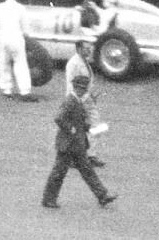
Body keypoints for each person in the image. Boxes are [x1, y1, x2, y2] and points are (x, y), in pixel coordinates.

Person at [41, 73, 115, 209]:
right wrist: (71, 129)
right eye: (84, 89)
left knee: (87, 170)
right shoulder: (70, 101)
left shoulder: (77, 100)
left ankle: (102, 195)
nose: (85, 92)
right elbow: (59, 118)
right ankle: (48, 199)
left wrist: (89, 128)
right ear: (78, 88)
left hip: (77, 144)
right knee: (59, 173)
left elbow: (77, 121)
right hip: (68, 144)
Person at [0, 0, 38, 102]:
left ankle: (7, 90)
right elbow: (25, 28)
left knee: (4, 64)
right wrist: (28, 38)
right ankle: (25, 91)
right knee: (20, 64)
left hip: (2, 40)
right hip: (16, 40)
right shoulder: (20, 9)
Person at [63, 41, 106, 168]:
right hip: (78, 100)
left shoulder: (84, 62)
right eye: (86, 49)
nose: (89, 51)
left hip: (87, 99)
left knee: (94, 126)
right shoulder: (73, 63)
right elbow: (71, 84)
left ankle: (90, 155)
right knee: (76, 129)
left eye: (90, 48)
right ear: (78, 49)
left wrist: (91, 95)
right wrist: (77, 101)